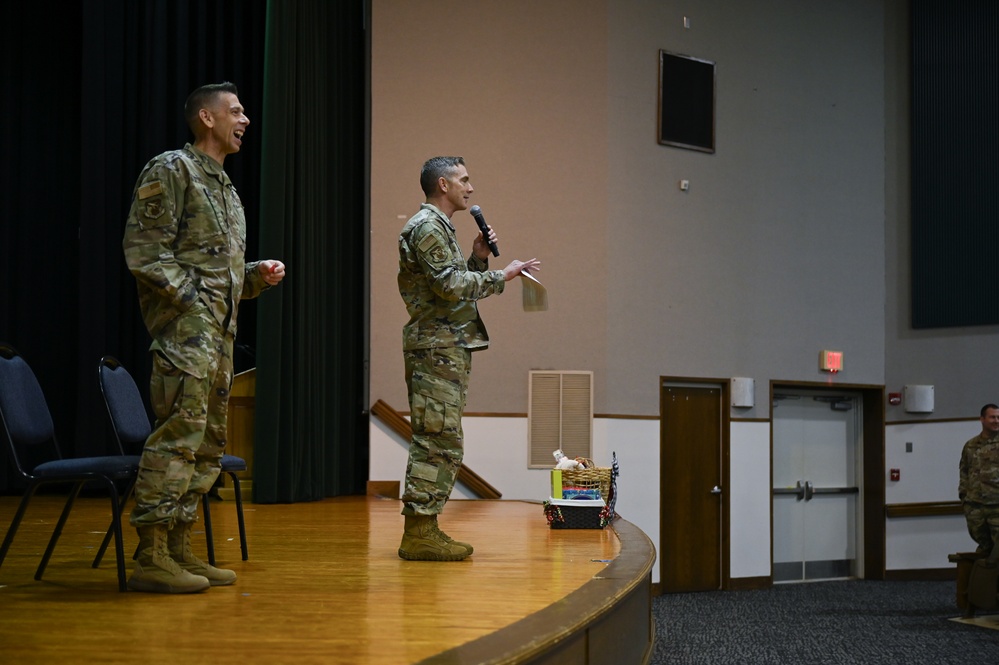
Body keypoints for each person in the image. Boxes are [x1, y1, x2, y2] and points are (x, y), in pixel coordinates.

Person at [122, 82, 286, 593]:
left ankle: (179, 548)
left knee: (207, 445)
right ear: (206, 118)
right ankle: (149, 555)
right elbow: (145, 252)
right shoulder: (172, 169)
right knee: (176, 441)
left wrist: (256, 274)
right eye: (235, 111)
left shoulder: (224, 186)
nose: (245, 119)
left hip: (218, 340)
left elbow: (217, 270)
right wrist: (192, 302)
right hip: (184, 339)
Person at [396, 156, 540, 561]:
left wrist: (477, 258)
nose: (470, 188)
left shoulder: (440, 228)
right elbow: (448, 287)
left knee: (443, 438)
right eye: (464, 179)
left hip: (446, 344)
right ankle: (419, 531)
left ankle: (425, 528)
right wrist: (502, 275)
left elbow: (451, 282)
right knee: (436, 439)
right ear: (443, 185)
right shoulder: (426, 227)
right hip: (435, 347)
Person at [959, 403, 999, 554]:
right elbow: (964, 472)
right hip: (975, 505)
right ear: (982, 419)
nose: (996, 421)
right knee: (984, 547)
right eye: (992, 417)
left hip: (997, 505)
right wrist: (964, 497)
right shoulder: (970, 445)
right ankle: (985, 577)